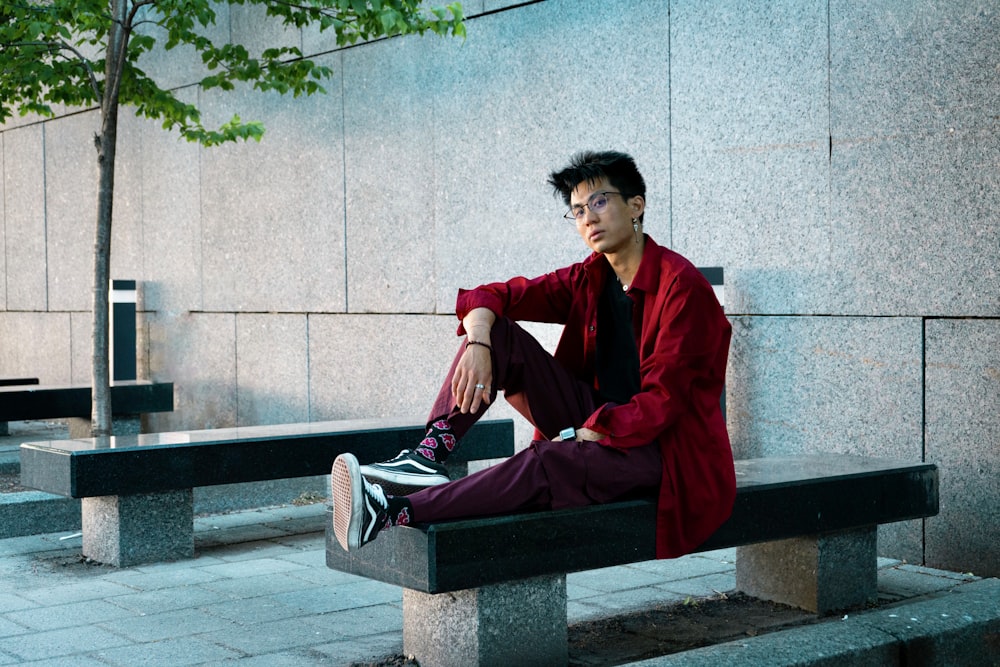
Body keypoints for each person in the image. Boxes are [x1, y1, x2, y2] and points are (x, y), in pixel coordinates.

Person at [331, 150, 735, 560]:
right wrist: (479, 342)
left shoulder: (682, 288)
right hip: (600, 422)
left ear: (636, 206)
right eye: (577, 211)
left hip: (667, 455)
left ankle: (391, 512)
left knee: (547, 462)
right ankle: (427, 456)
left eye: (599, 202)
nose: (588, 218)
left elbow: (665, 401)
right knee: (499, 333)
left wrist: (591, 430)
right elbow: (491, 295)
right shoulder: (590, 277)